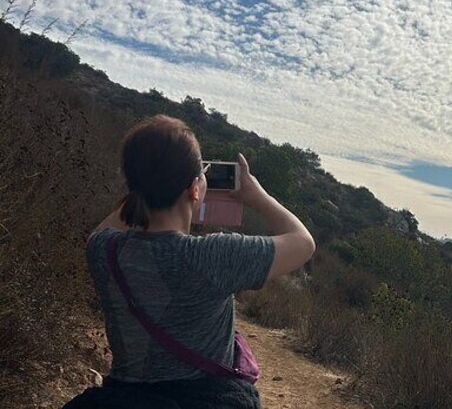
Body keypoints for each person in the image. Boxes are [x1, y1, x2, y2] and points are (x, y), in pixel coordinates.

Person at [64, 115, 315, 408]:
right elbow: (303, 242)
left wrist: (144, 184)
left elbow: (102, 230)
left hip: (123, 398)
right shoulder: (212, 256)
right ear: (195, 189)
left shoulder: (104, 251)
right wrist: (257, 195)